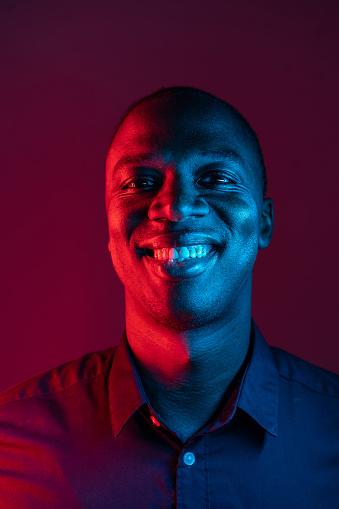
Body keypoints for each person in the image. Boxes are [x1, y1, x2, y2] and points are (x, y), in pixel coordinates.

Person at [0, 86, 338, 509]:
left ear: (265, 224)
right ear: (109, 230)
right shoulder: (9, 446)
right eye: (140, 182)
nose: (176, 207)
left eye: (215, 178)